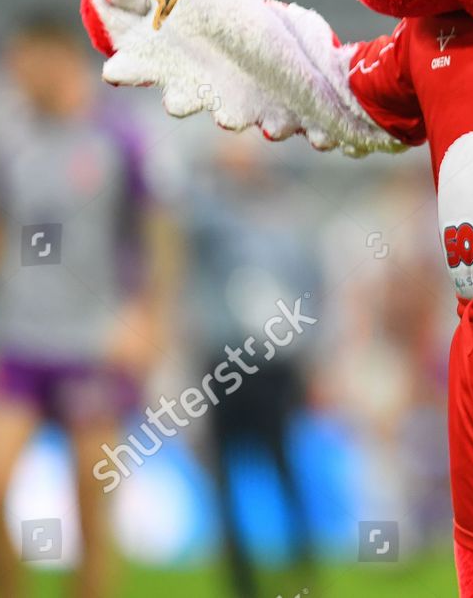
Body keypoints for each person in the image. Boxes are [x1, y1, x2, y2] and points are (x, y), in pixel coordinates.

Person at [0, 12, 179, 598]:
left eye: (26, 65)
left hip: (94, 345)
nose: (18, 78)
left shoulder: (119, 137)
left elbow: (158, 233)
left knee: (90, 505)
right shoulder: (6, 141)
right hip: (20, 340)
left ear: (58, 60)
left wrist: (148, 319)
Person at [186, 134, 320, 598]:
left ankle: (302, 567)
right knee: (223, 474)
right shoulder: (206, 211)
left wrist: (309, 351)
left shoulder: (287, 216)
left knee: (284, 465)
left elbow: (310, 289)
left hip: (274, 365)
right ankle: (240, 579)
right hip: (224, 360)